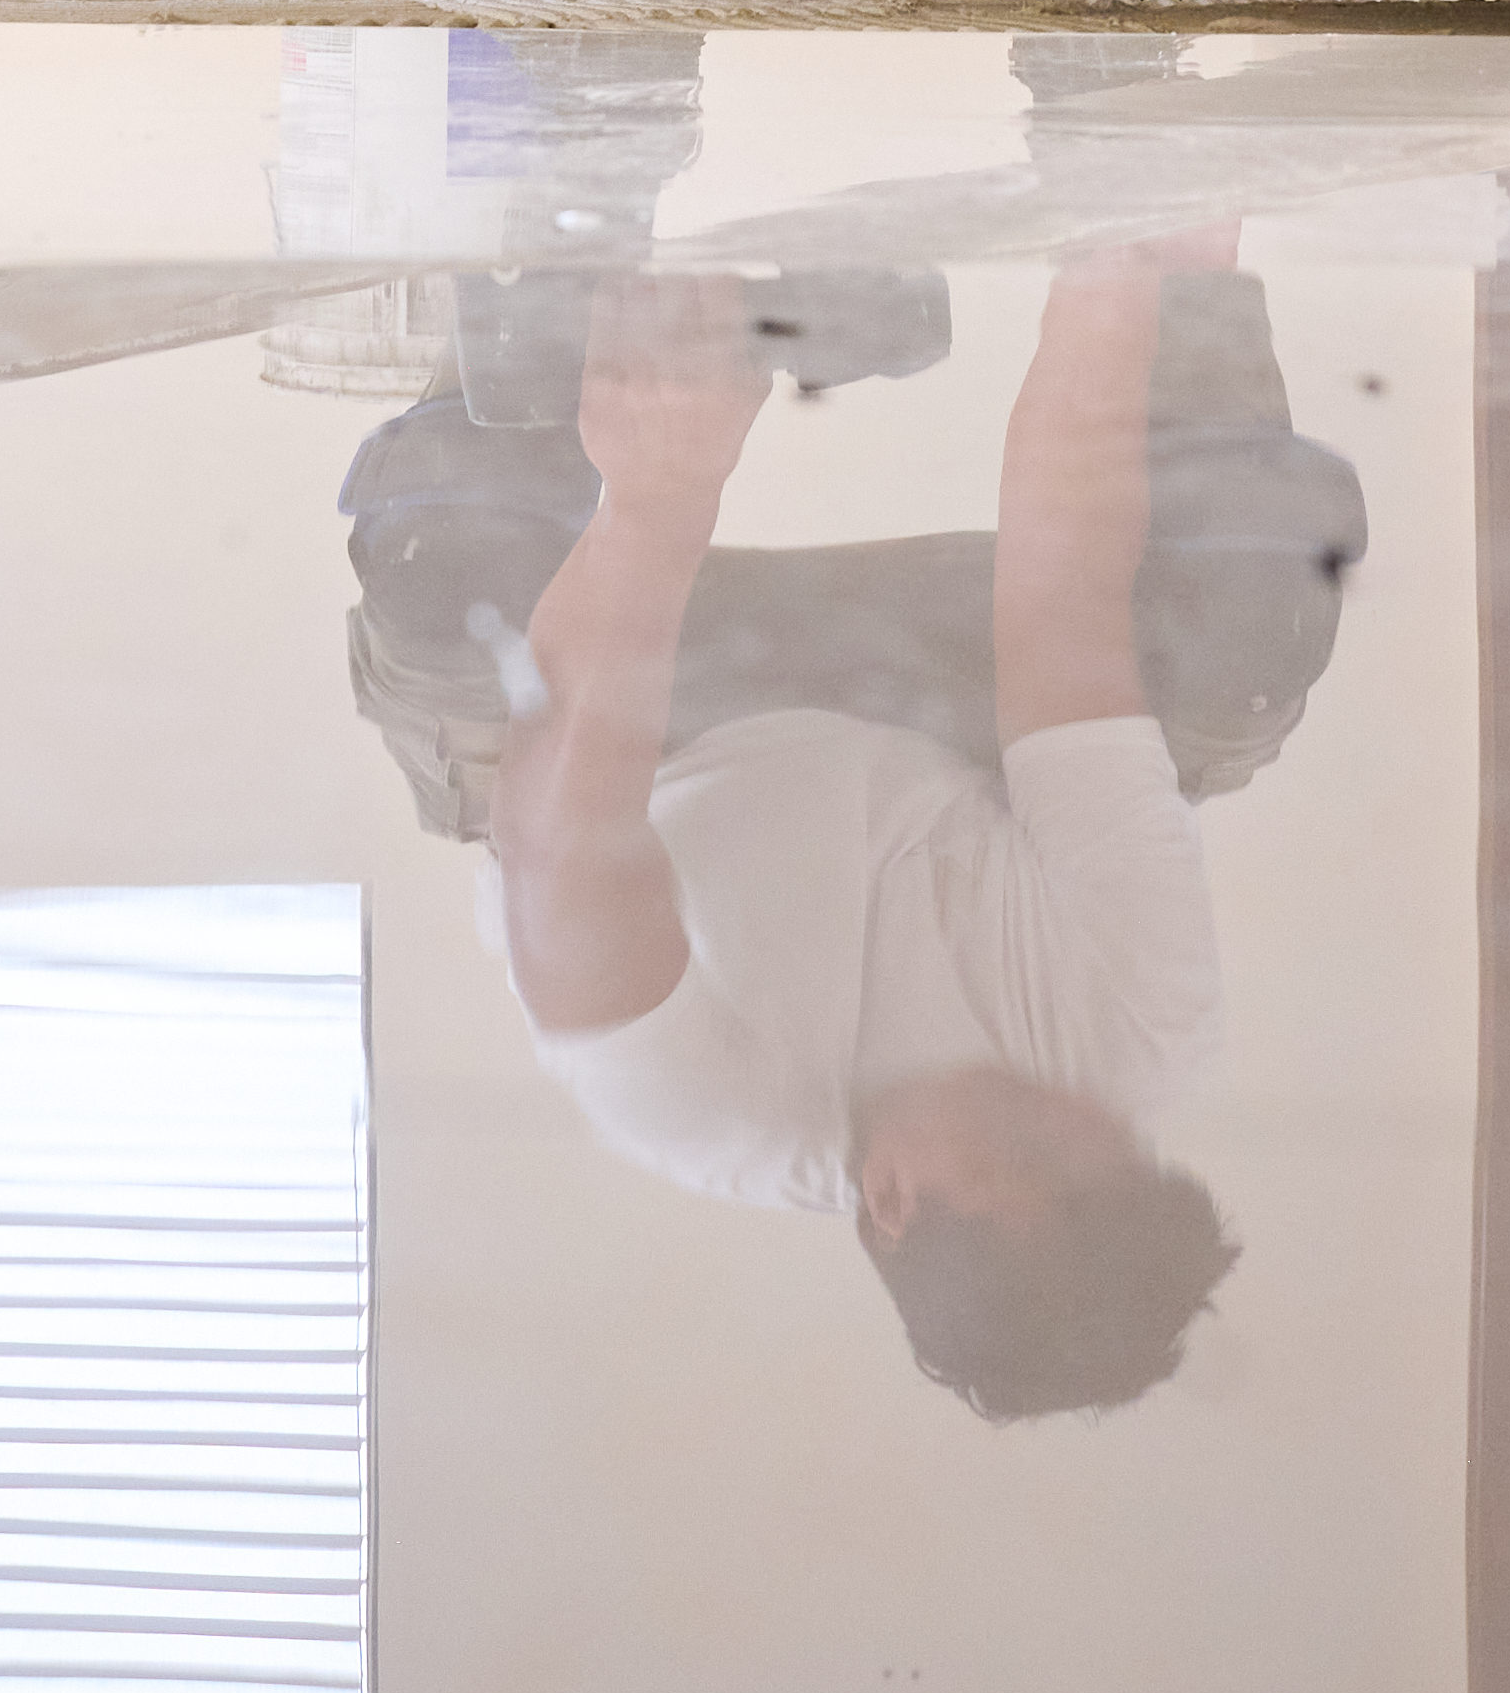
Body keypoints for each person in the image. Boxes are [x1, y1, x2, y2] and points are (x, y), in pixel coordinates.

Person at [470, 257, 1313, 1424]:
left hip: (644, 753)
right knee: (1252, 642)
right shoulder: (1142, 1041)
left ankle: (536, 243)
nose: (1081, 1109)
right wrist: (1120, 255)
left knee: (445, 580)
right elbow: (1061, 595)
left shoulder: (701, 1109)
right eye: (1114, 1141)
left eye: (1036, 1148)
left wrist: (658, 493)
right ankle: (1168, 204)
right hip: (933, 720)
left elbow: (560, 840)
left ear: (895, 1197)